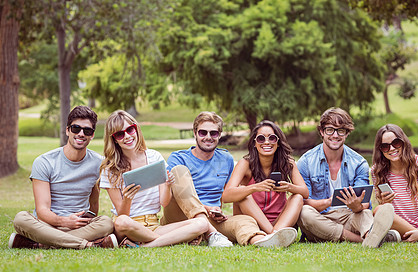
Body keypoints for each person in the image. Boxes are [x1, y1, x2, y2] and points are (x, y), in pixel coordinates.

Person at [162, 111, 297, 247]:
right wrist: (207, 208)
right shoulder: (178, 158)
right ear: (195, 133)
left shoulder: (225, 159)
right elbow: (173, 194)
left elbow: (231, 194)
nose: (208, 137)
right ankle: (209, 233)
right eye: (203, 132)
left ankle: (266, 241)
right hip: (181, 218)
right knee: (179, 171)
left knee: (245, 221)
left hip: (213, 220)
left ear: (219, 135)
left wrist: (217, 212)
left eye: (213, 133)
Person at [9, 106, 116, 249]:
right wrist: (64, 222)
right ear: (67, 130)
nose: (81, 134)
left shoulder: (98, 163)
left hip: (78, 226)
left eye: (87, 130)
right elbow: (42, 210)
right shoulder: (44, 162)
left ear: (92, 135)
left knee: (106, 223)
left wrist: (81, 220)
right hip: (47, 225)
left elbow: (94, 204)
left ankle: (41, 244)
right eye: (76, 128)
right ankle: (88, 245)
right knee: (21, 219)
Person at [99, 110, 209, 247]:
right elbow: (122, 215)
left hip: (153, 224)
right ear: (114, 139)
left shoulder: (154, 157)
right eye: (120, 134)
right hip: (129, 226)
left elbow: (163, 202)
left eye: (130, 130)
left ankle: (145, 245)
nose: (127, 136)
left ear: (136, 129)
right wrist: (127, 199)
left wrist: (168, 185)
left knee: (202, 223)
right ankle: (173, 239)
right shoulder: (110, 168)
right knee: (122, 222)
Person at [297, 107, 398, 248]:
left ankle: (370, 233)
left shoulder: (359, 163)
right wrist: (328, 202)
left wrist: (356, 205)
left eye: (341, 130)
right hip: (320, 220)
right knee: (304, 213)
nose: (335, 135)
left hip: (349, 216)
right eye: (330, 129)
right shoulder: (305, 162)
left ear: (347, 134)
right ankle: (367, 239)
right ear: (321, 131)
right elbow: (302, 202)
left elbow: (364, 203)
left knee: (365, 214)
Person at [223, 120, 307, 242]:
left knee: (297, 197)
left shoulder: (288, 163)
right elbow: (226, 196)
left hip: (279, 222)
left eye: (272, 138)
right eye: (261, 139)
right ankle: (274, 235)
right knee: (242, 192)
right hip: (253, 223)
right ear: (254, 143)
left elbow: (305, 192)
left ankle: (274, 234)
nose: (267, 142)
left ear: (278, 143)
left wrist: (289, 187)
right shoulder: (245, 164)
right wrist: (255, 187)